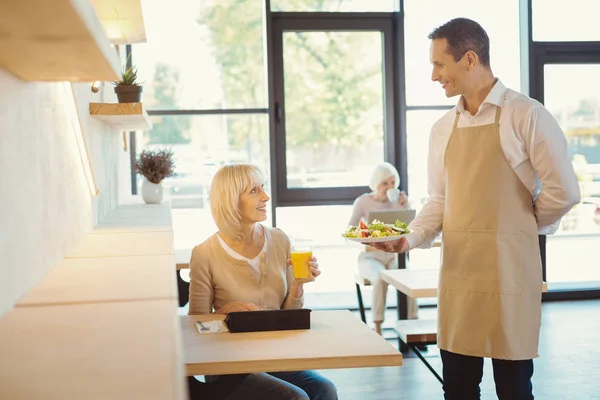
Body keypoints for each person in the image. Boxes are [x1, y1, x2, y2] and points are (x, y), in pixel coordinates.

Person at [371, 18, 580, 400]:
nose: (434, 76)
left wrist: (523, 225)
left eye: (439, 65)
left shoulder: (526, 115)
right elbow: (439, 199)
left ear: (469, 59)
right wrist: (410, 239)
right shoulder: (441, 129)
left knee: (514, 388)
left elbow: (564, 191)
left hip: (510, 272)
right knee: (459, 388)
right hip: (459, 274)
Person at [188, 163, 338, 400]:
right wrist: (225, 313)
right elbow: (195, 327)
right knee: (295, 398)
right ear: (231, 200)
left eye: (263, 187)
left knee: (324, 389)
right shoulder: (204, 253)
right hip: (230, 365)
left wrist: (298, 284)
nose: (266, 196)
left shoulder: (279, 240)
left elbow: (287, 316)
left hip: (274, 355)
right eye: (254, 191)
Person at [348, 162, 418, 335]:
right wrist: (366, 241)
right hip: (371, 258)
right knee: (380, 278)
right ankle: (378, 327)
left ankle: (413, 326)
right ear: (376, 183)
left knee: (407, 276)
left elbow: (412, 229)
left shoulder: (399, 201)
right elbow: (349, 230)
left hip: (394, 256)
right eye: (385, 183)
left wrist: (405, 206)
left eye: (393, 183)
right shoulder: (363, 202)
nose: (390, 187)